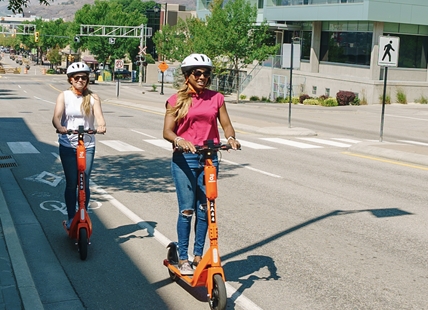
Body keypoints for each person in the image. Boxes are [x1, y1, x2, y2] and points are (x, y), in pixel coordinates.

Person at [163, 53, 240, 275]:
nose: (202, 77)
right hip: (184, 159)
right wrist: (180, 140)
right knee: (187, 210)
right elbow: (167, 131)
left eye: (206, 74)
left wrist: (231, 137)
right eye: (197, 73)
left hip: (209, 157)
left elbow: (226, 125)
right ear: (187, 76)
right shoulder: (175, 100)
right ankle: (184, 257)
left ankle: (199, 255)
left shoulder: (217, 98)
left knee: (205, 209)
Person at [52, 62, 106, 230]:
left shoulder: (93, 97)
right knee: (72, 183)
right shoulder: (64, 96)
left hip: (87, 143)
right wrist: (59, 127)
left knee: (84, 182)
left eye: (84, 77)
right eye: (77, 78)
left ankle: (83, 212)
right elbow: (56, 116)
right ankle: (70, 217)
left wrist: (102, 125)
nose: (81, 80)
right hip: (68, 143)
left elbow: (99, 116)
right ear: (71, 80)